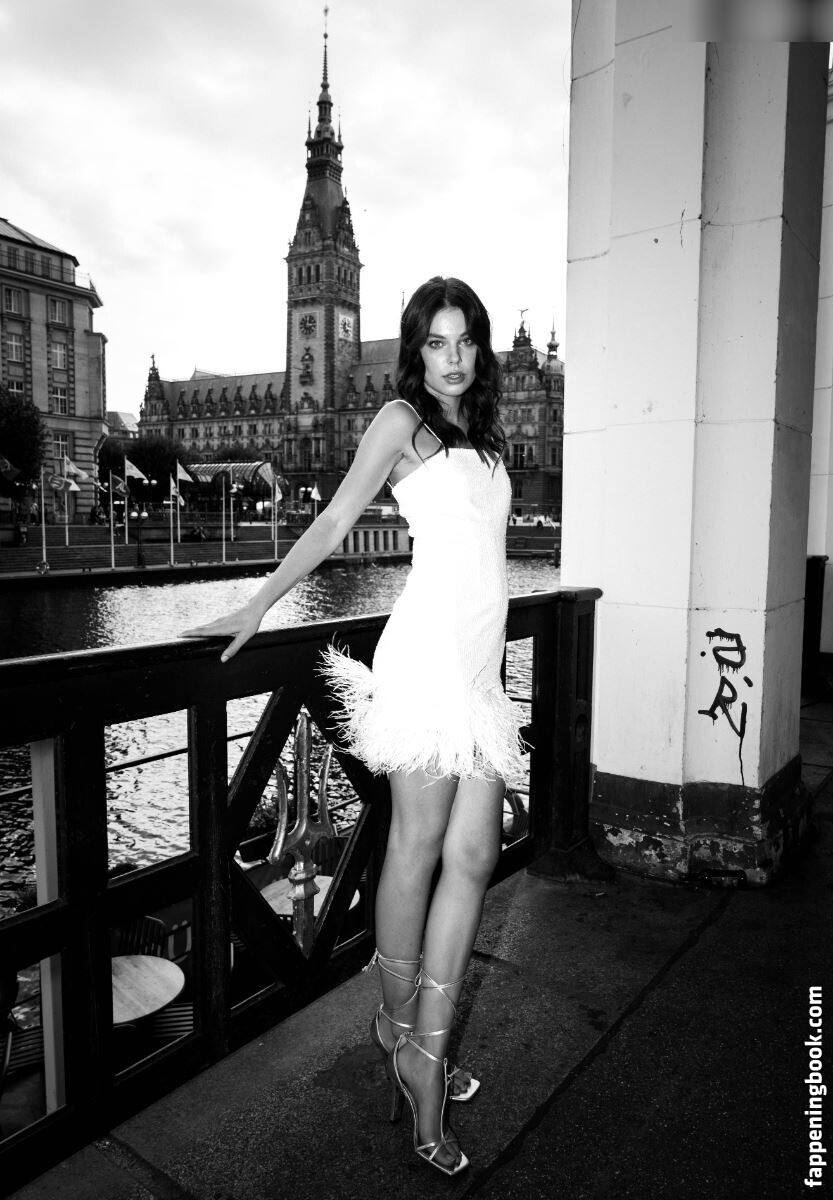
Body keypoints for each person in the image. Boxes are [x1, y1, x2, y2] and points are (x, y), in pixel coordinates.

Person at [182, 277, 523, 1177]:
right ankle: (416, 1045)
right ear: (416, 349)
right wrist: (258, 604)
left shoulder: (484, 431)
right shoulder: (399, 422)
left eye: (465, 340)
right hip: (425, 664)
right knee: (416, 849)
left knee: (476, 855)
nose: (454, 357)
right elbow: (336, 519)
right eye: (437, 342)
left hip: (478, 673)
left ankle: (410, 1037)